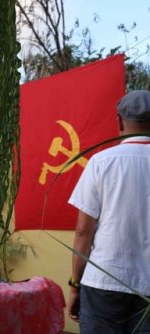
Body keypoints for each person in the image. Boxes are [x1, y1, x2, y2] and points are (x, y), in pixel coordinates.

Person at [67, 90, 150, 333]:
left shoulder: (101, 161)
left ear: (119, 121)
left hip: (104, 280)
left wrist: (75, 285)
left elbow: (83, 231)